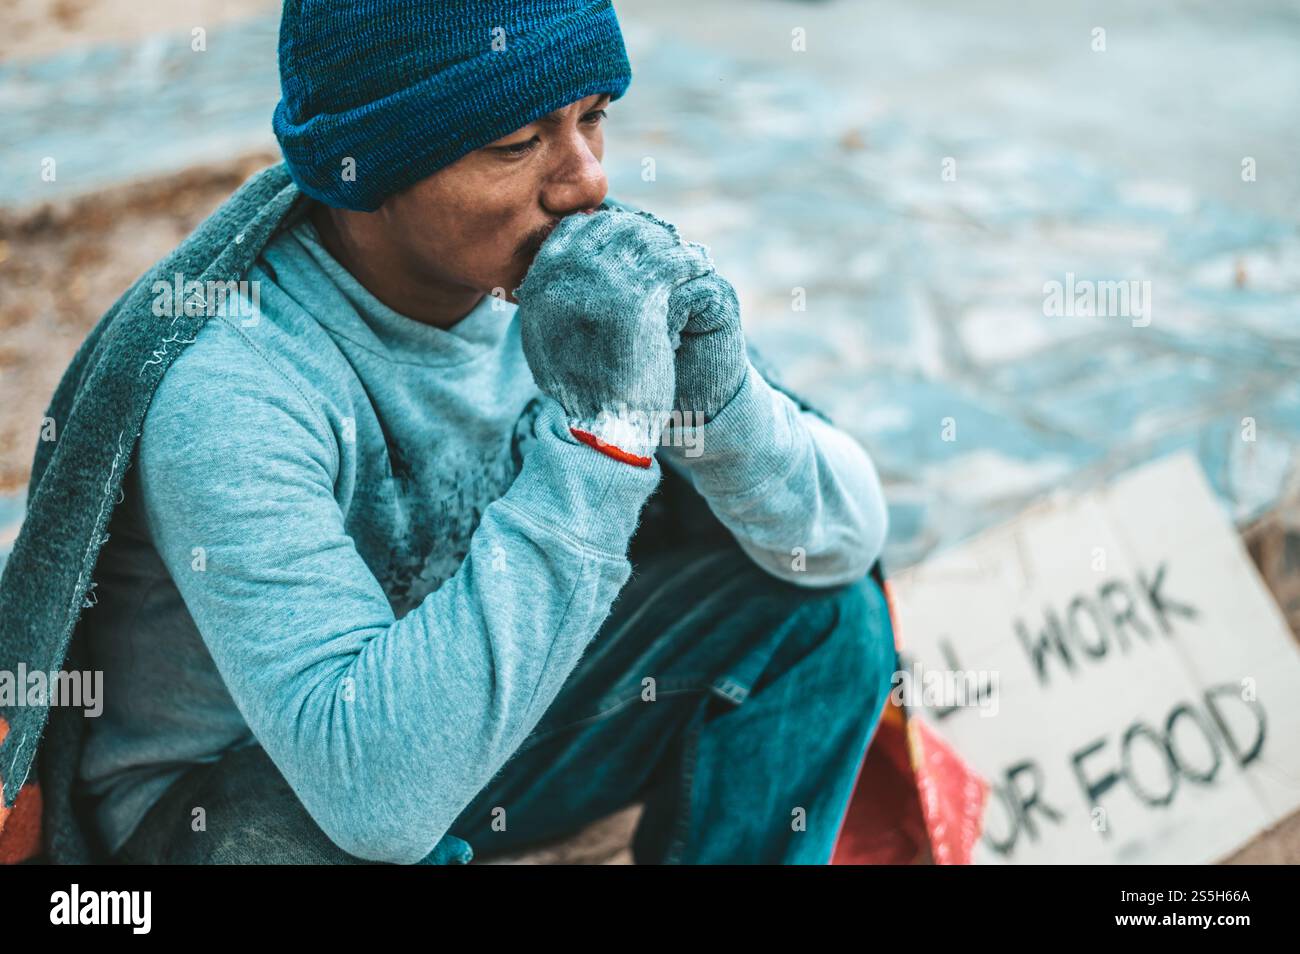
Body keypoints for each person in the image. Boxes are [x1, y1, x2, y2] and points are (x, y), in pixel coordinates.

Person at [70, 0, 896, 865]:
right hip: (253, 805)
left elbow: (840, 542)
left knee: (823, 618)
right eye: (514, 145)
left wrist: (721, 401)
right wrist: (602, 447)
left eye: (593, 119)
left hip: (471, 732)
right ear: (369, 171)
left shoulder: (579, 278)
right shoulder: (236, 382)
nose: (586, 183)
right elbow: (373, 800)